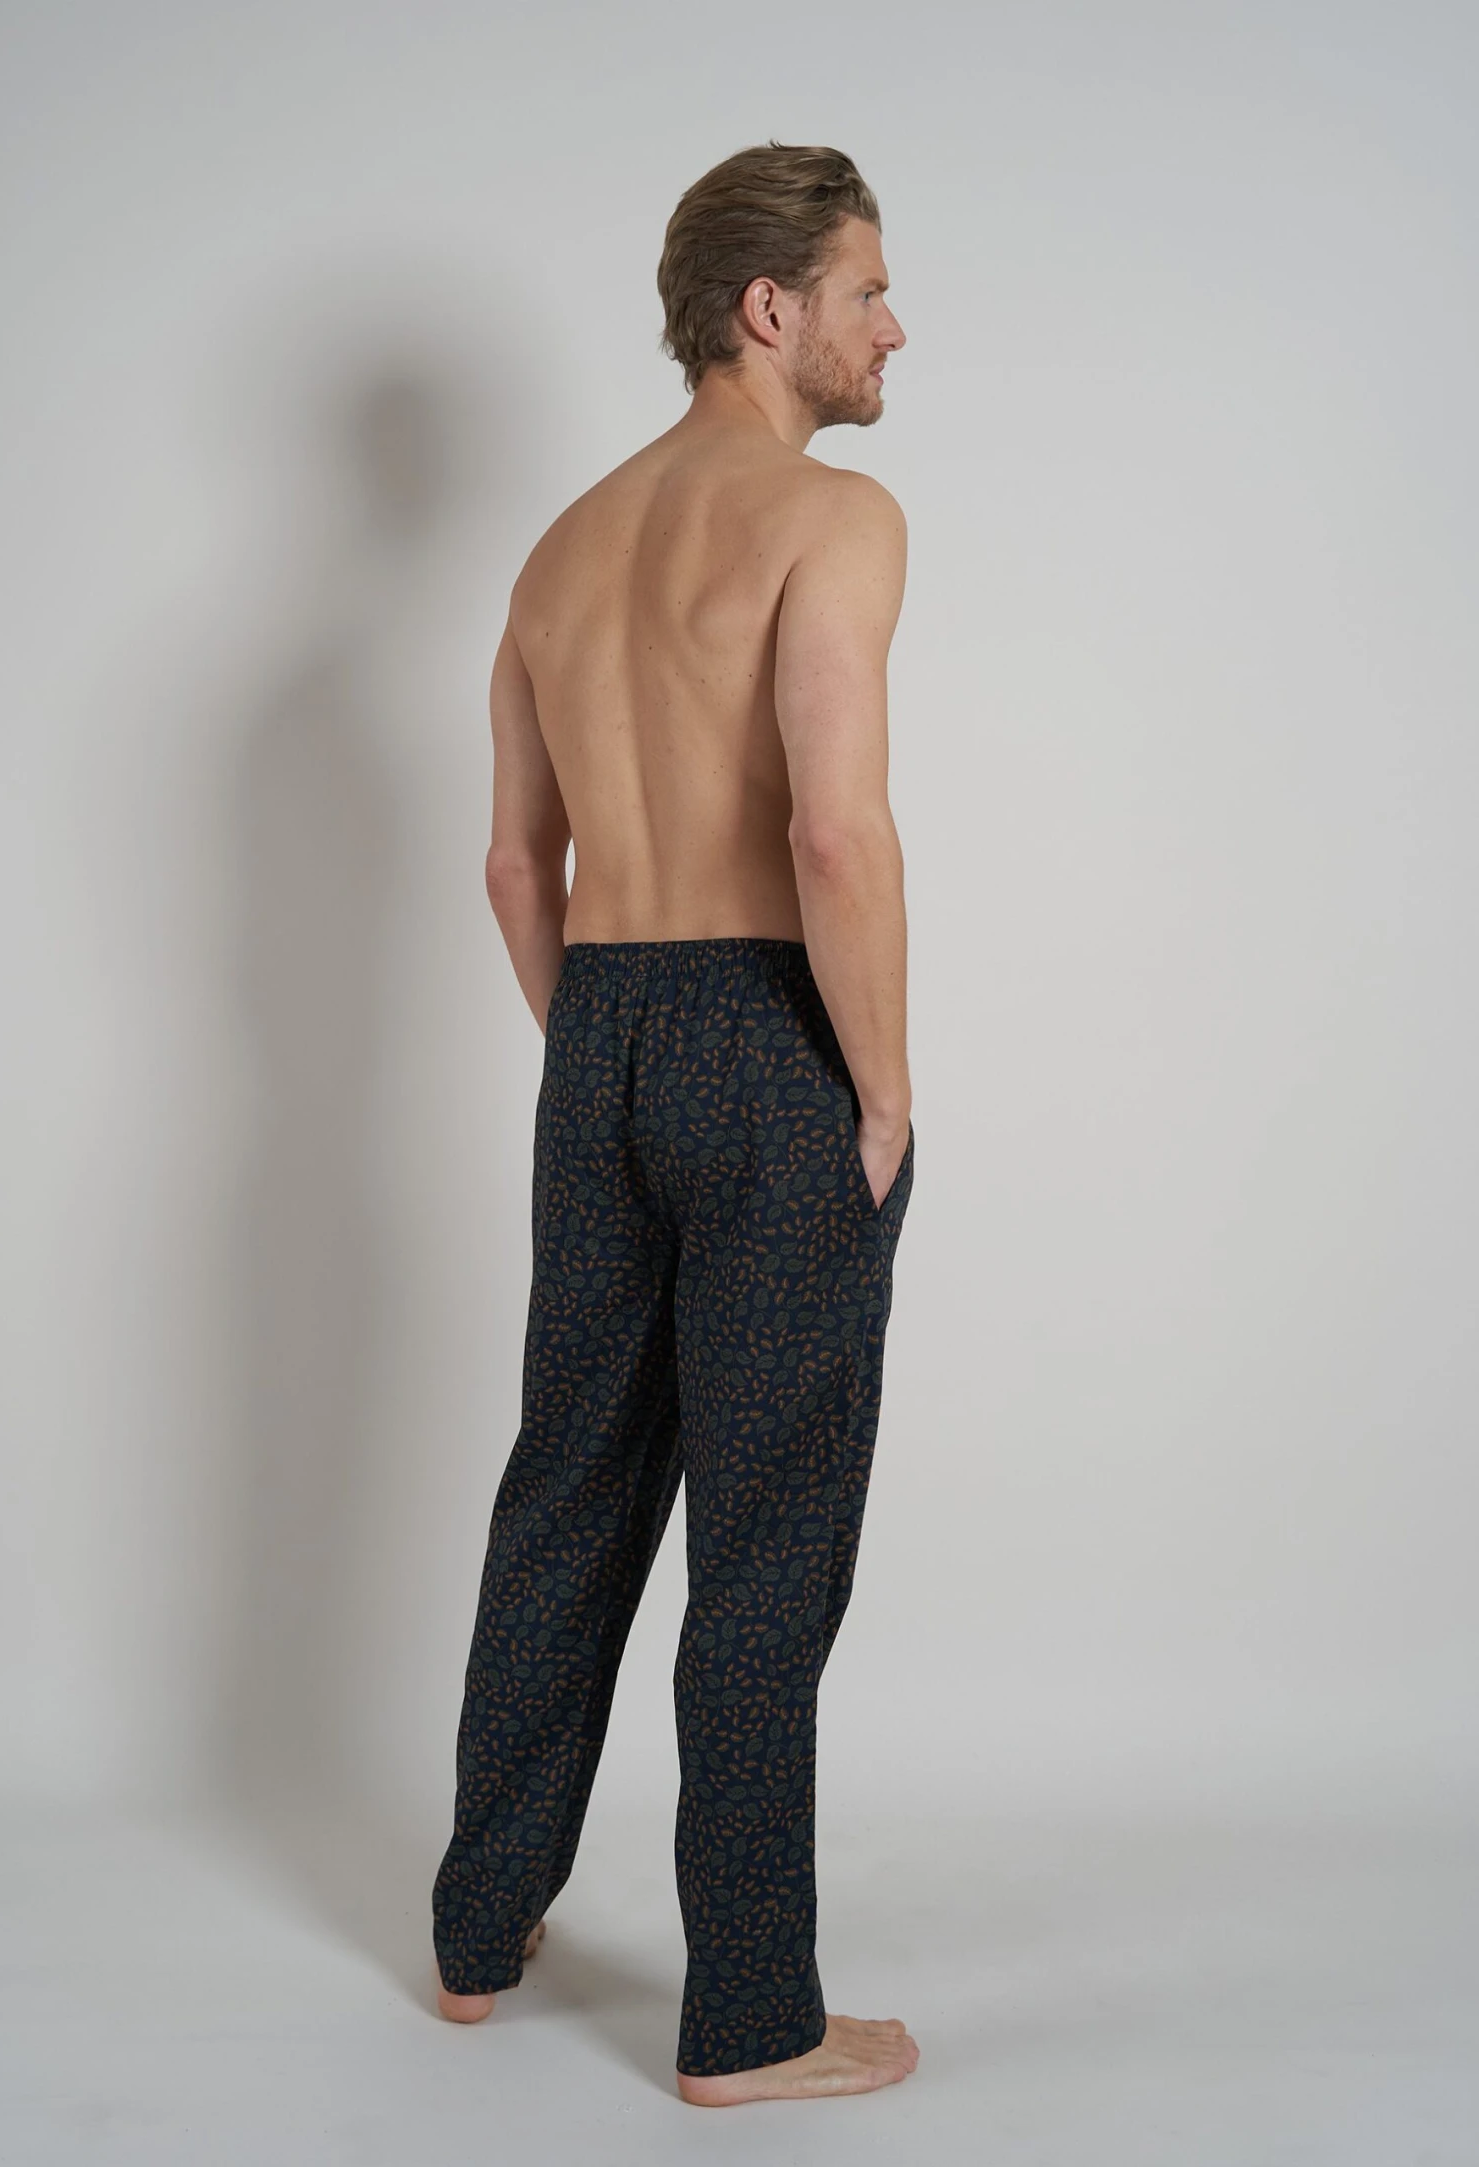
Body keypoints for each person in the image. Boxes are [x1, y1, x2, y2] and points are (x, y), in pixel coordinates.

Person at [430, 140, 919, 2107]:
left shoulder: (559, 549)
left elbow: (511, 866)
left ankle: (479, 1931)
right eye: (868, 290)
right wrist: (878, 1088)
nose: (896, 327)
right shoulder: (833, 517)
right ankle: (751, 2020)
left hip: (605, 1030)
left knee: (568, 1483)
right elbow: (834, 833)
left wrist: (605, 1063)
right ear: (768, 309)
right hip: (768, 1035)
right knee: (765, 1539)